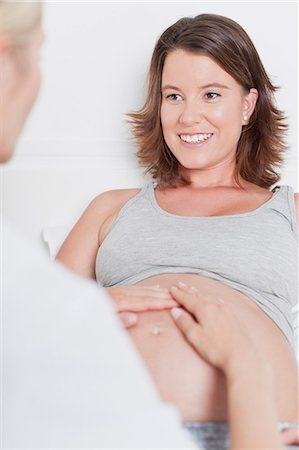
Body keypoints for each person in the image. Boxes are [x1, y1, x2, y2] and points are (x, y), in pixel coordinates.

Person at [1, 2, 291, 449]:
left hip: (259, 429)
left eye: (211, 94)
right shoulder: (111, 208)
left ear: (249, 104)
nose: (188, 116)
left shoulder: (289, 210)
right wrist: (100, 303)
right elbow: (36, 325)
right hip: (110, 429)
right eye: (174, 96)